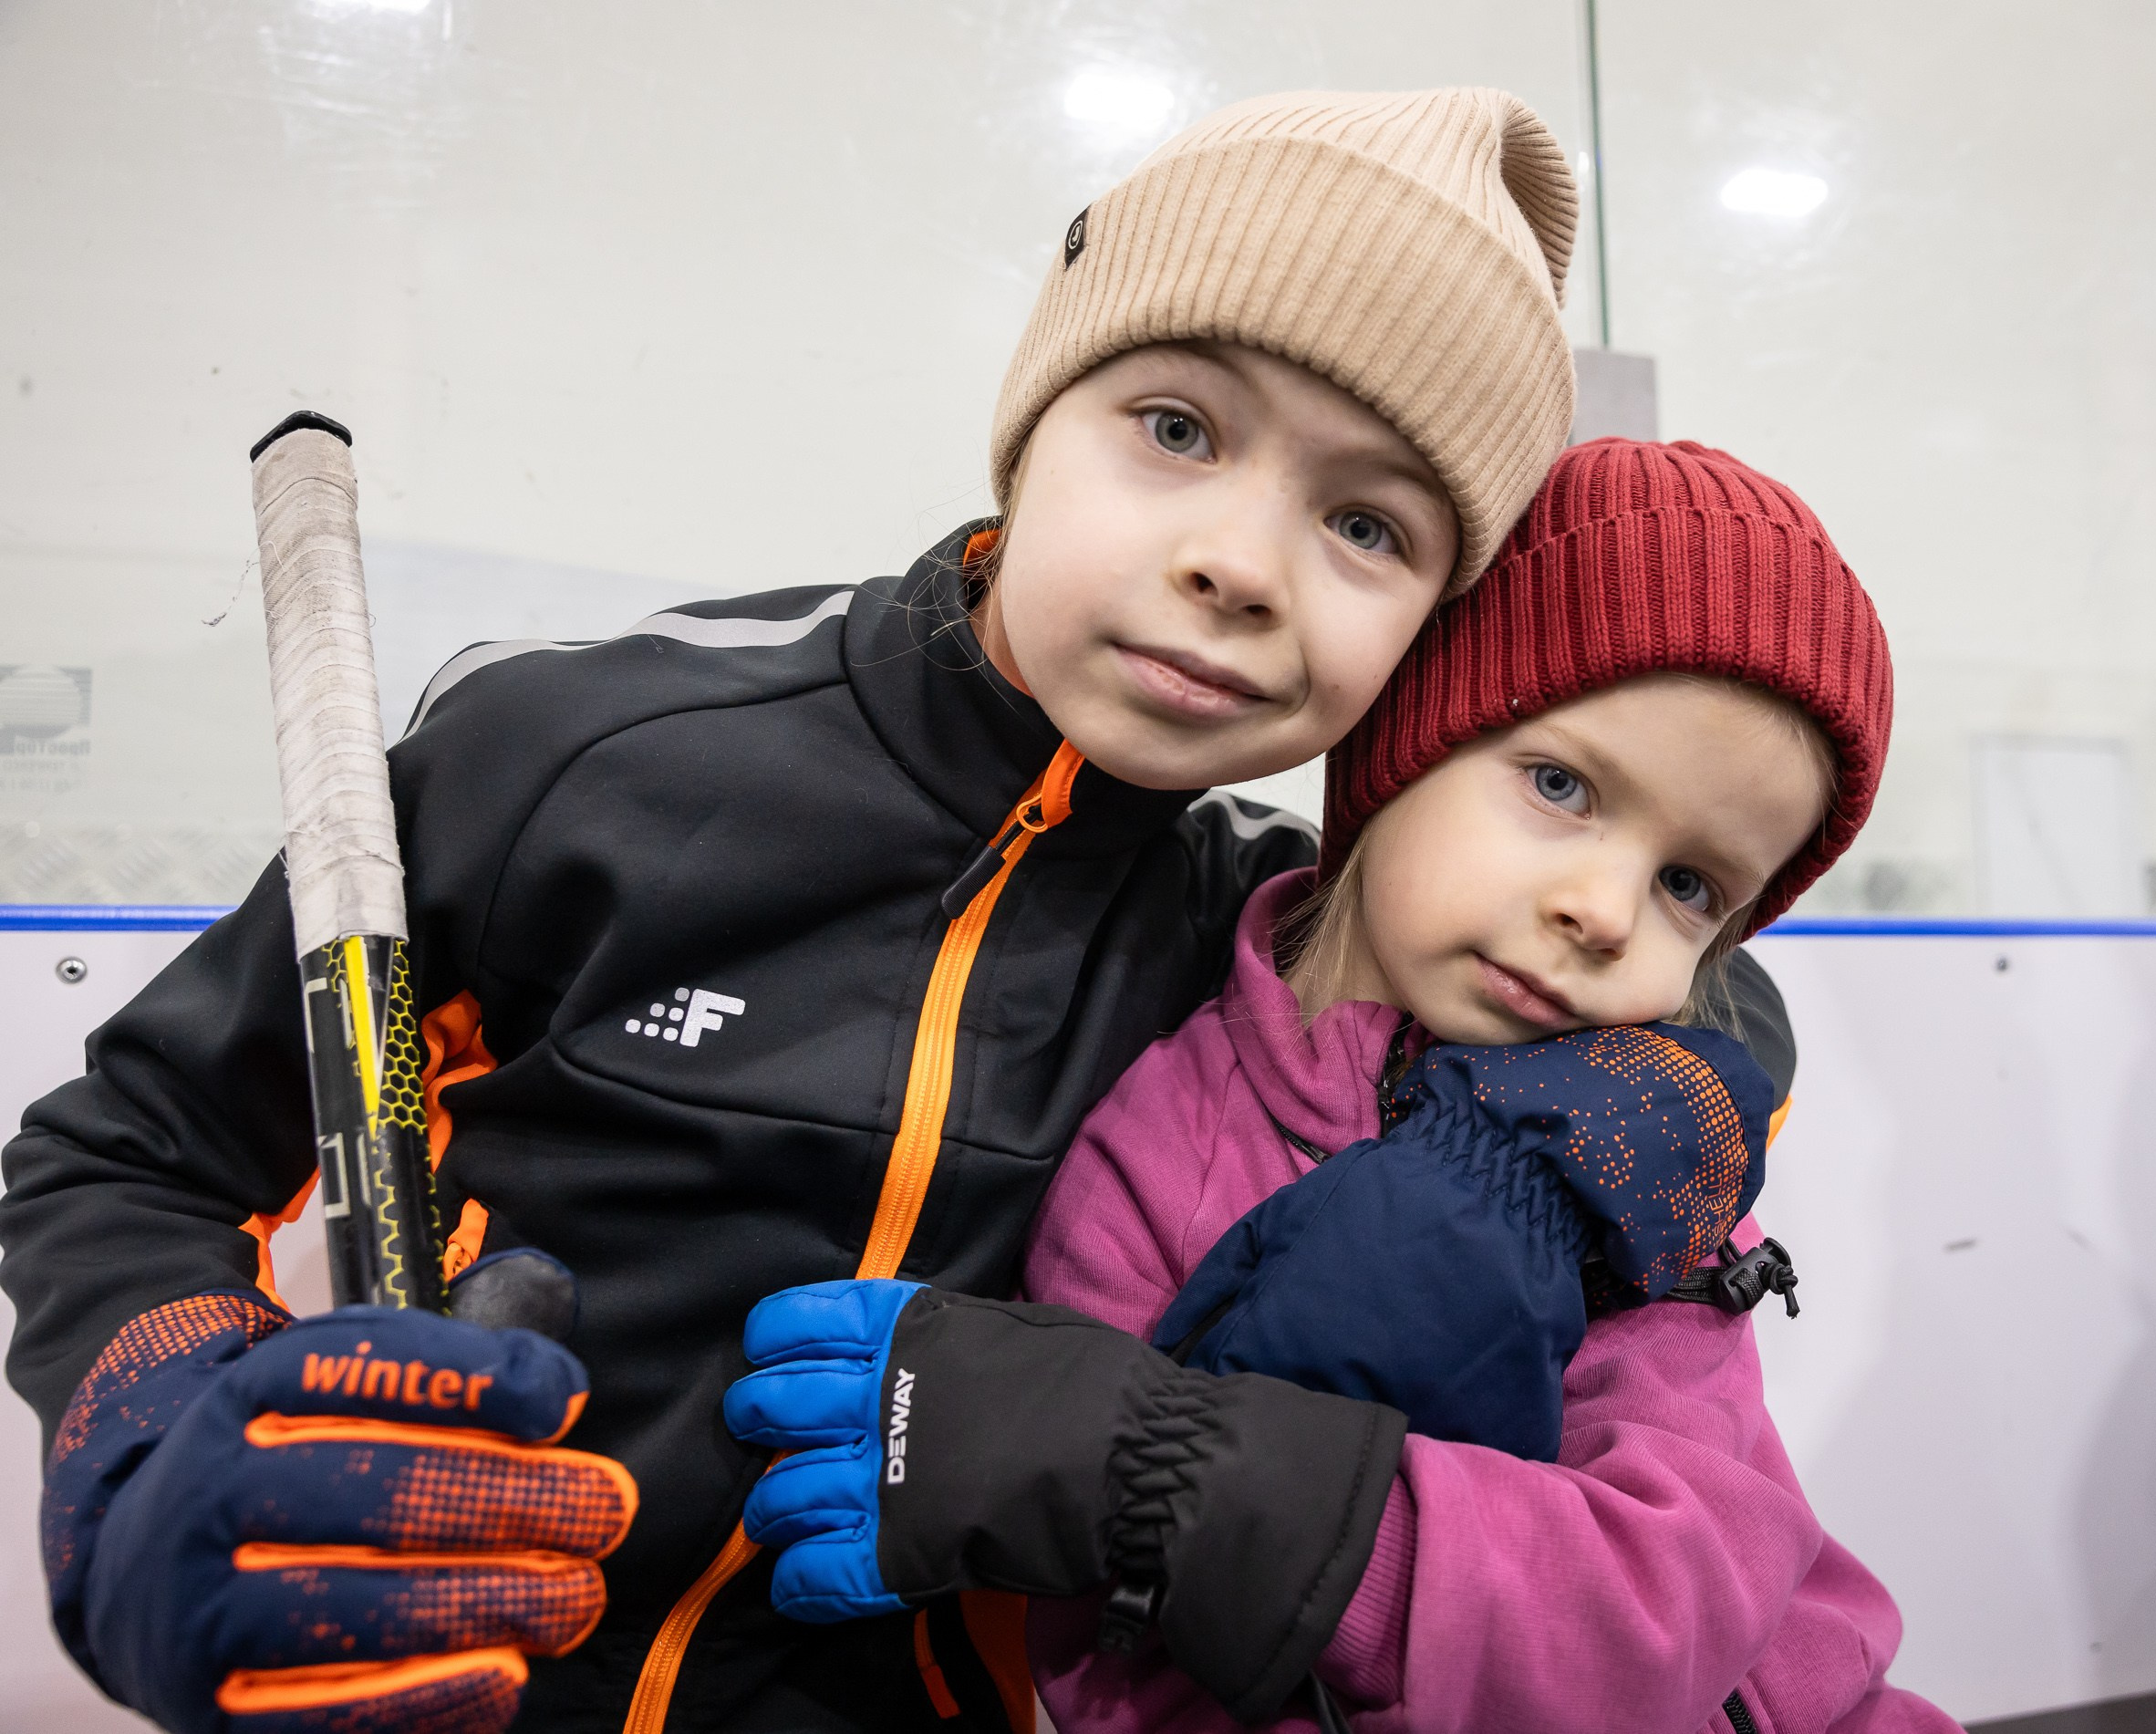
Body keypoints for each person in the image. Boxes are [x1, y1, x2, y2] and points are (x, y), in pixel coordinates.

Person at [2, 90, 1591, 1734]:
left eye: (1368, 525)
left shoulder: (1267, 956)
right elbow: (130, 1153)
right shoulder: (578, 755)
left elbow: (1632, 862)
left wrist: (1695, 1076)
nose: (1244, 562)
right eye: (1179, 427)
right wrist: (152, 1438)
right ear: (1033, 416)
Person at [1017, 439, 1961, 1731]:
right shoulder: (1151, 1149)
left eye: (1692, 887)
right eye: (1562, 786)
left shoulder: (1638, 1149)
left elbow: (1669, 1603)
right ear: (1408, 740)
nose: (1604, 911)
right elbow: (1115, 1652)